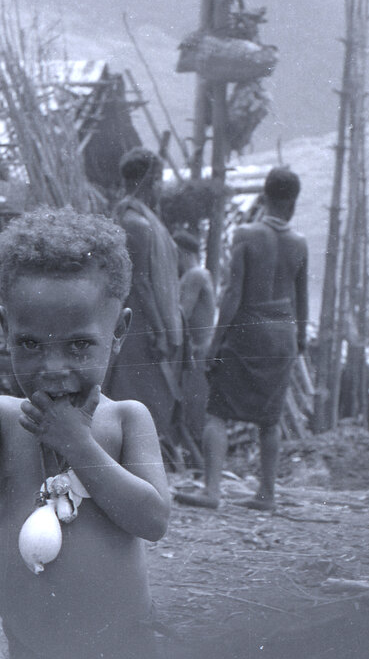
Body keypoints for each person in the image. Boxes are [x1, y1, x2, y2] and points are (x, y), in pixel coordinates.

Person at [0, 207, 170, 659]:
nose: (53, 369)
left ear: (118, 332)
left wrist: (78, 445)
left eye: (80, 345)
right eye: (30, 344)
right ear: (6, 334)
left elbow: (152, 517)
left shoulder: (126, 419)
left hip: (119, 645)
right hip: (31, 646)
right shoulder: (3, 416)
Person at [175, 166, 308, 512]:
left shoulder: (247, 235)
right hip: (283, 336)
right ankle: (266, 493)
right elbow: (303, 304)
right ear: (293, 205)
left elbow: (233, 295)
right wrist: (300, 342)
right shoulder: (300, 244)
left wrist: (217, 343)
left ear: (264, 198)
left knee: (217, 411)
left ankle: (212, 490)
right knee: (270, 419)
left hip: (250, 331)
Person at [108, 147, 185, 452]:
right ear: (150, 179)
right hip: (139, 324)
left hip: (139, 322)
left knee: (140, 398)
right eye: (158, 179)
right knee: (136, 397)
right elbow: (140, 282)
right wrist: (160, 330)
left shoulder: (138, 219)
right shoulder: (135, 223)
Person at [174, 228, 216, 448]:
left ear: (182, 253)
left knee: (195, 405)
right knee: (194, 404)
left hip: (199, 349)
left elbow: (183, 312)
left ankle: (199, 460)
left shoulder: (195, 275)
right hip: (198, 348)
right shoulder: (198, 274)